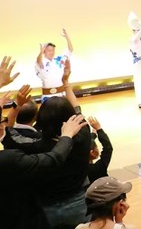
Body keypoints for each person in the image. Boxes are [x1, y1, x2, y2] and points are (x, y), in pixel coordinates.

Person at [0, 56, 87, 229]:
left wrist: (16, 106)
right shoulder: (83, 133)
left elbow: (8, 133)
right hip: (80, 202)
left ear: (40, 120)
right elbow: (77, 109)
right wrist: (66, 83)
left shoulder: (34, 145)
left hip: (47, 207)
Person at [35, 28, 73, 101]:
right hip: (47, 96)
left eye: (53, 50)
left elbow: (70, 50)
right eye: (49, 50)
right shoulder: (42, 62)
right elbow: (38, 61)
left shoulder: (59, 60)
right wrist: (41, 51)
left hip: (61, 94)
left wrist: (67, 37)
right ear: (44, 51)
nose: (51, 52)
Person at [88, 116, 114, 183]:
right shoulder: (99, 168)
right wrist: (99, 129)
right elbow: (108, 148)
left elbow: (85, 146)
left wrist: (93, 134)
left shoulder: (77, 168)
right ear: (91, 152)